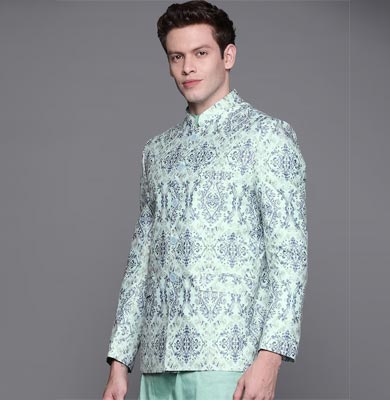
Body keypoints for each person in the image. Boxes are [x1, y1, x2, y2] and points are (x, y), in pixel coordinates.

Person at [102, 1, 308, 399]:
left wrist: (270, 358)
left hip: (229, 361)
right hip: (158, 365)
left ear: (227, 56)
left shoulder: (267, 137)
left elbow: (289, 258)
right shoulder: (157, 152)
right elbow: (140, 262)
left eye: (200, 53)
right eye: (176, 57)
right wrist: (120, 363)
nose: (187, 68)